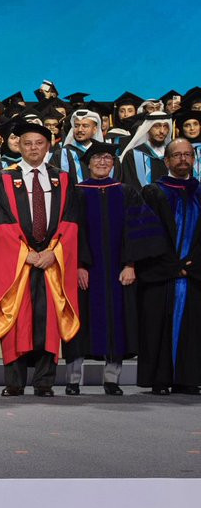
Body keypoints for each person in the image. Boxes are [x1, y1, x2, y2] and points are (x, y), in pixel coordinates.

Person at [0, 122, 80, 397]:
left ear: (48, 146)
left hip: (51, 258)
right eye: (27, 143)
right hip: (18, 259)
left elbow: (71, 219)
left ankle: (44, 382)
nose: (33, 148)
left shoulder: (62, 178)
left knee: (49, 319)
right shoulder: (2, 178)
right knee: (16, 317)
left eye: (39, 143)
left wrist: (53, 252)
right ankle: (14, 382)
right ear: (19, 146)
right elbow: (0, 220)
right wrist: (25, 253)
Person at [62, 143, 164, 395]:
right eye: (97, 158)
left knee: (117, 322)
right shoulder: (76, 193)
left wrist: (130, 264)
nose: (102, 162)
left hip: (118, 271)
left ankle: (111, 379)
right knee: (80, 323)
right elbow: (71, 232)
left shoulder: (126, 192)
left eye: (107, 158)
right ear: (88, 163)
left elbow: (137, 229)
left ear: (113, 163)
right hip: (86, 271)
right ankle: (73, 380)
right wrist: (79, 265)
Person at [137, 138, 201, 395]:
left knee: (194, 328)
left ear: (193, 159)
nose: (183, 159)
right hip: (161, 275)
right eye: (177, 155)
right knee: (157, 327)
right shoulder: (153, 192)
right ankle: (160, 379)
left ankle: (189, 379)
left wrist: (192, 265)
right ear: (167, 161)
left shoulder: (200, 191)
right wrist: (173, 266)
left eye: (188, 155)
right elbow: (147, 235)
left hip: (194, 275)